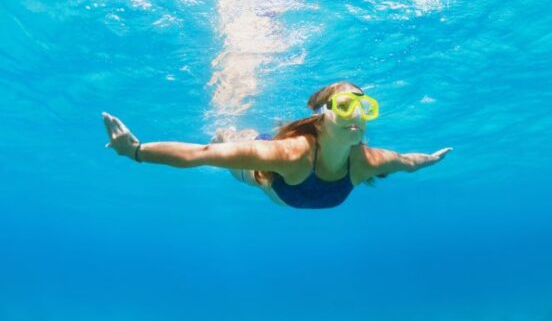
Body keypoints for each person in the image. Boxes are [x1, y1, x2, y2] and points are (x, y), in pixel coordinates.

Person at [102, 81, 452, 209]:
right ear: (321, 117)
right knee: (227, 141)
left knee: (247, 136)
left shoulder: (367, 161)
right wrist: (135, 151)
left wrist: (431, 160)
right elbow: (201, 155)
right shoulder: (291, 155)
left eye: (365, 107)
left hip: (286, 172)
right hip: (264, 175)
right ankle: (227, 123)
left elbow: (407, 161)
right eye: (345, 105)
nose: (356, 114)